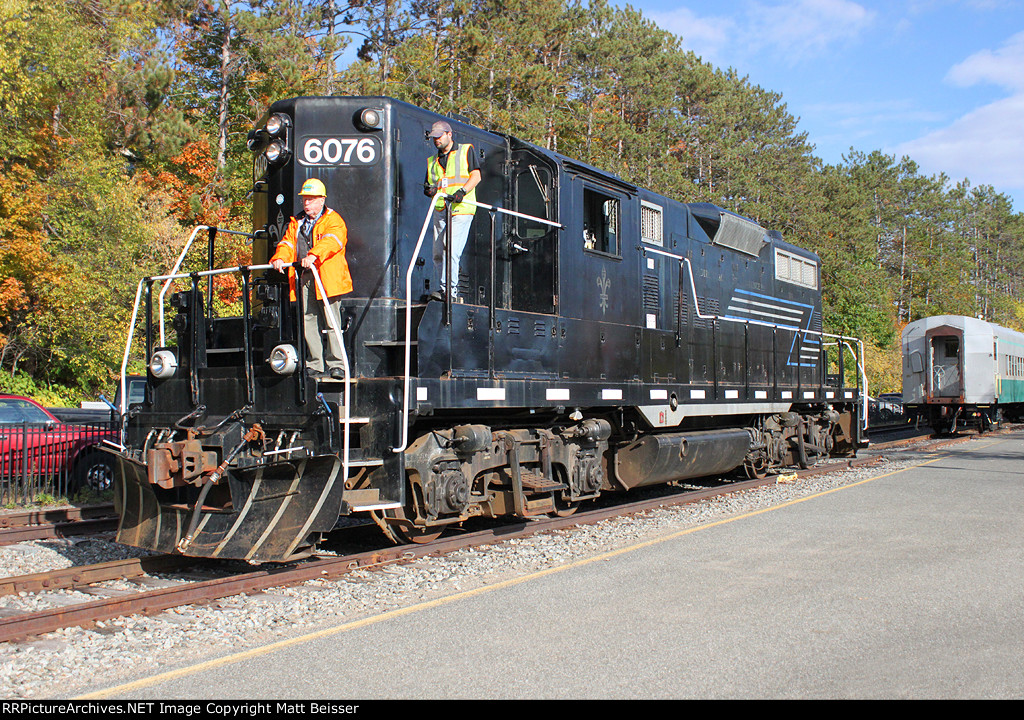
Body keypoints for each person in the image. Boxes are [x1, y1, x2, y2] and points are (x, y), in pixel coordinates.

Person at [270, 178, 352, 380]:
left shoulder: (333, 220)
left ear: (322, 199)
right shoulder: (296, 222)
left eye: (311, 199)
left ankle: (338, 365)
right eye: (305, 199)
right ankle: (315, 364)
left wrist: (314, 255)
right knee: (308, 319)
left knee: (331, 320)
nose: (306, 204)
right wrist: (280, 258)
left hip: (326, 277)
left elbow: (333, 240)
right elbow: (287, 243)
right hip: (304, 277)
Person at [424, 120, 482, 301]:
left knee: (451, 247)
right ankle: (442, 288)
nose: (436, 140)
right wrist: (430, 190)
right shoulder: (432, 161)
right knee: (437, 251)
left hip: (462, 208)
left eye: (439, 136)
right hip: (441, 208)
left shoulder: (466, 150)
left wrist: (462, 191)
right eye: (434, 138)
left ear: (450, 134)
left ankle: (450, 291)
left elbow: (476, 176)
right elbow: (429, 185)